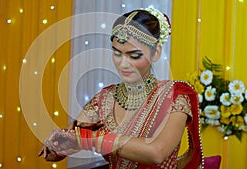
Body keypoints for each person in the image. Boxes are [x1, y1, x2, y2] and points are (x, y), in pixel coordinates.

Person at [38, 7, 203, 169]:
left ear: (156, 53)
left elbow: (156, 152)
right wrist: (55, 146)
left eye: (134, 55)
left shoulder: (175, 95)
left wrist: (88, 139)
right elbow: (68, 141)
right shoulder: (105, 99)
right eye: (117, 53)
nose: (123, 63)